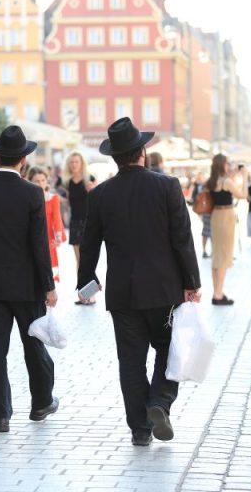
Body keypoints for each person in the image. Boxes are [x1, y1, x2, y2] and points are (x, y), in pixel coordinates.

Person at [77, 117, 201, 447]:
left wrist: (86, 281)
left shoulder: (100, 194)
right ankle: (159, 402)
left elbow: (89, 243)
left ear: (114, 157)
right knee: (168, 348)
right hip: (164, 289)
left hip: (123, 293)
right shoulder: (167, 187)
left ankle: (139, 429)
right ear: (143, 152)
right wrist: (192, 282)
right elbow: (182, 239)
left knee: (131, 361)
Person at [0, 125, 59, 434]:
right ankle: (41, 401)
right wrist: (49, 285)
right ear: (23, 159)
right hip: (26, 284)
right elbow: (38, 244)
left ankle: (0, 415)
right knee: (34, 344)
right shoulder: (33, 193)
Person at [206, 153, 248, 305]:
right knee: (224, 256)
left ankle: (217, 291)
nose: (229, 166)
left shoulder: (212, 181)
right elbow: (243, 195)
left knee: (217, 255)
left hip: (215, 216)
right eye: (227, 163)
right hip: (226, 216)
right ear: (222, 165)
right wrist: (245, 176)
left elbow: (226, 178)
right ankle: (218, 294)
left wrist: (234, 172)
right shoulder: (227, 182)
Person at [63, 151, 96, 305]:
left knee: (87, 259)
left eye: (76, 161)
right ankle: (83, 294)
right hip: (75, 222)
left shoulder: (89, 179)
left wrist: (93, 190)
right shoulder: (67, 182)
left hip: (89, 222)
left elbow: (99, 199)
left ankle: (91, 294)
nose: (74, 164)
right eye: (71, 162)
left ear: (82, 163)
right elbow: (68, 202)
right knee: (79, 261)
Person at [28, 167, 67, 282]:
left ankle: (48, 292)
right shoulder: (27, 198)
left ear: (47, 180)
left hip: (48, 237)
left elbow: (57, 218)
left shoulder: (53, 198)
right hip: (31, 236)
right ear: (30, 181)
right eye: (37, 181)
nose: (40, 183)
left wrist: (58, 237)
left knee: (49, 268)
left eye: (43, 180)